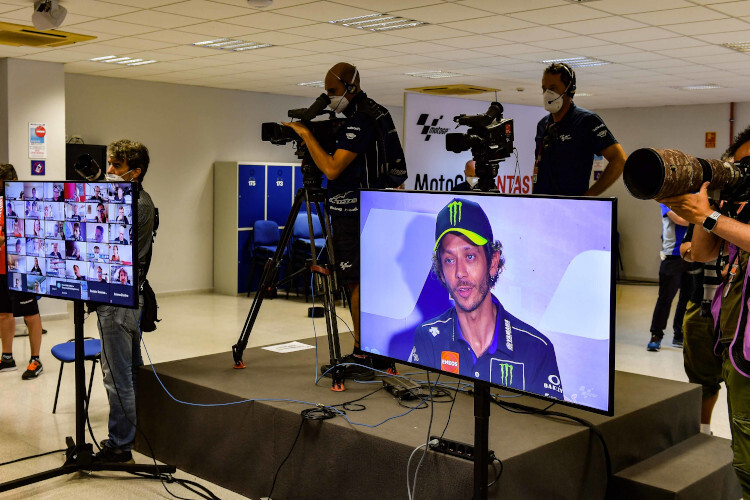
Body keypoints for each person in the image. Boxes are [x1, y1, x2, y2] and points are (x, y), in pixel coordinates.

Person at [281, 62, 407, 368]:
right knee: (365, 279)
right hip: (369, 209)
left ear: (353, 86)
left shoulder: (361, 120)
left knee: (356, 281)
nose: (330, 97)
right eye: (325, 93)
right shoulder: (375, 113)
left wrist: (306, 134)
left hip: (353, 213)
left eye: (333, 92)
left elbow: (332, 168)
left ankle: (364, 352)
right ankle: (376, 350)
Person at [659, 125, 750, 496]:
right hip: (737, 341)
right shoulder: (735, 205)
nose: (744, 173)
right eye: (740, 165)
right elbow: (702, 253)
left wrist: (711, 217)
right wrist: (706, 208)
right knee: (744, 448)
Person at [409, 198, 562, 396]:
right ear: (441, 271)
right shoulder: (427, 338)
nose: (460, 272)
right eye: (449, 260)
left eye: (470, 256)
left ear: (492, 262)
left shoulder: (537, 349)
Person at [93, 139, 156, 464]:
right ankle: (131, 435)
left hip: (118, 302)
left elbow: (105, 244)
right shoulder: (125, 200)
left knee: (117, 376)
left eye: (116, 166)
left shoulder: (135, 205)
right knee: (128, 373)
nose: (110, 172)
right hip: (124, 297)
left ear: (135, 172)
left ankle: (120, 447)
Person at [533, 63, 627, 196]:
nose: (547, 93)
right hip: (542, 206)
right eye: (544, 88)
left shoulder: (586, 121)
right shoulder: (543, 125)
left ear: (569, 90)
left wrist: (588, 196)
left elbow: (619, 159)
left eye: (553, 88)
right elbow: (538, 165)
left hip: (572, 208)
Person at [0, 164, 45, 380]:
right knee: (3, 313)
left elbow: (34, 233)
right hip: (0, 269)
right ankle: (7, 357)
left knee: (30, 314)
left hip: (20, 268)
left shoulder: (27, 203)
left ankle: (35, 359)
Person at [680, 225, 724, 435]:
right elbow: (689, 250)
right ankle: (703, 432)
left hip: (741, 310)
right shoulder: (708, 209)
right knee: (701, 379)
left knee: (742, 380)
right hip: (702, 305)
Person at [646, 204, 692, 351]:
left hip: (692, 254)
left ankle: (679, 335)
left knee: (687, 298)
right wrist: (702, 220)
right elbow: (679, 219)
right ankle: (656, 335)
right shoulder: (667, 199)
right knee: (665, 299)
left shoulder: (694, 195)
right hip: (673, 256)